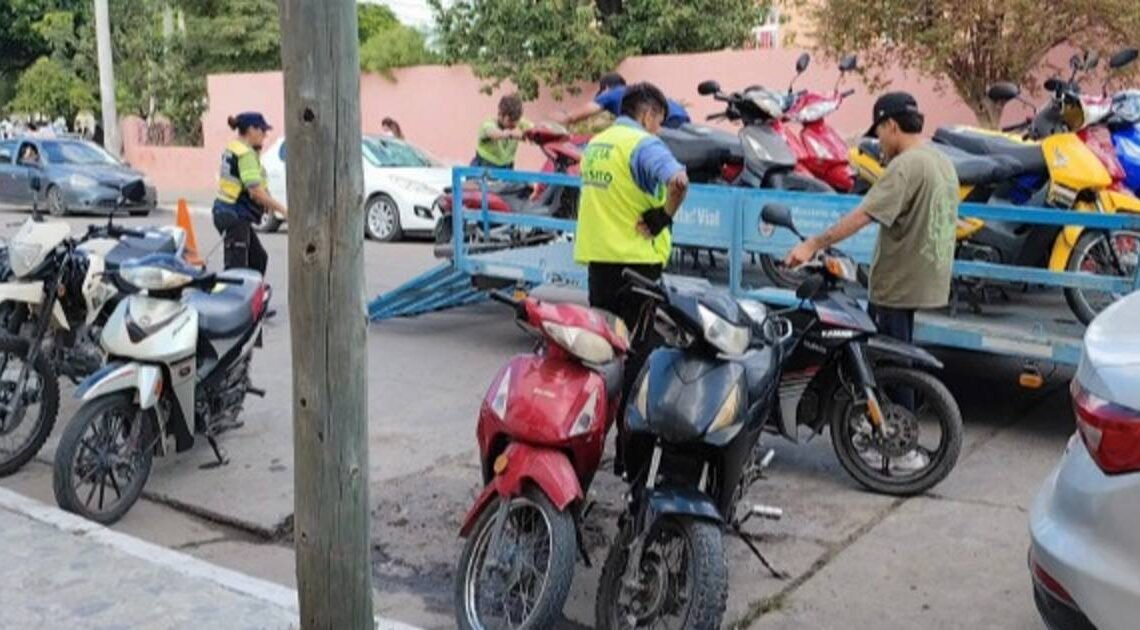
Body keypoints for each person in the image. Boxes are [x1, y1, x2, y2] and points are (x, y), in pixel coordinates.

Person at [784, 92, 957, 346]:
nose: (879, 142)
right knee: (900, 355)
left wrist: (812, 244)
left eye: (879, 133)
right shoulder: (941, 161)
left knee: (887, 359)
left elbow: (861, 216)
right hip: (926, 281)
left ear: (892, 126)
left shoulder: (905, 166)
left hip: (897, 287)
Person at [212, 112, 287, 277]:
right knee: (235, 270)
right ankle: (234, 293)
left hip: (225, 211)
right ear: (251, 129)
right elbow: (255, 192)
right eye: (262, 130)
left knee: (258, 259)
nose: (265, 135)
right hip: (234, 214)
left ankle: (253, 291)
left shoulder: (234, 147)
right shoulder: (245, 154)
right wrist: (283, 210)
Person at [555, 72, 692, 129]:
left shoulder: (612, 93)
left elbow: (585, 111)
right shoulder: (633, 92)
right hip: (682, 116)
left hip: (666, 122)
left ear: (606, 88)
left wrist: (566, 119)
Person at [472, 94, 532, 169]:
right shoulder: (488, 124)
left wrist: (532, 135)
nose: (514, 124)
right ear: (500, 114)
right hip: (484, 166)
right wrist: (510, 134)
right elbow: (493, 133)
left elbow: (534, 129)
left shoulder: (518, 122)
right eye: (510, 121)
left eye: (516, 120)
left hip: (506, 168)